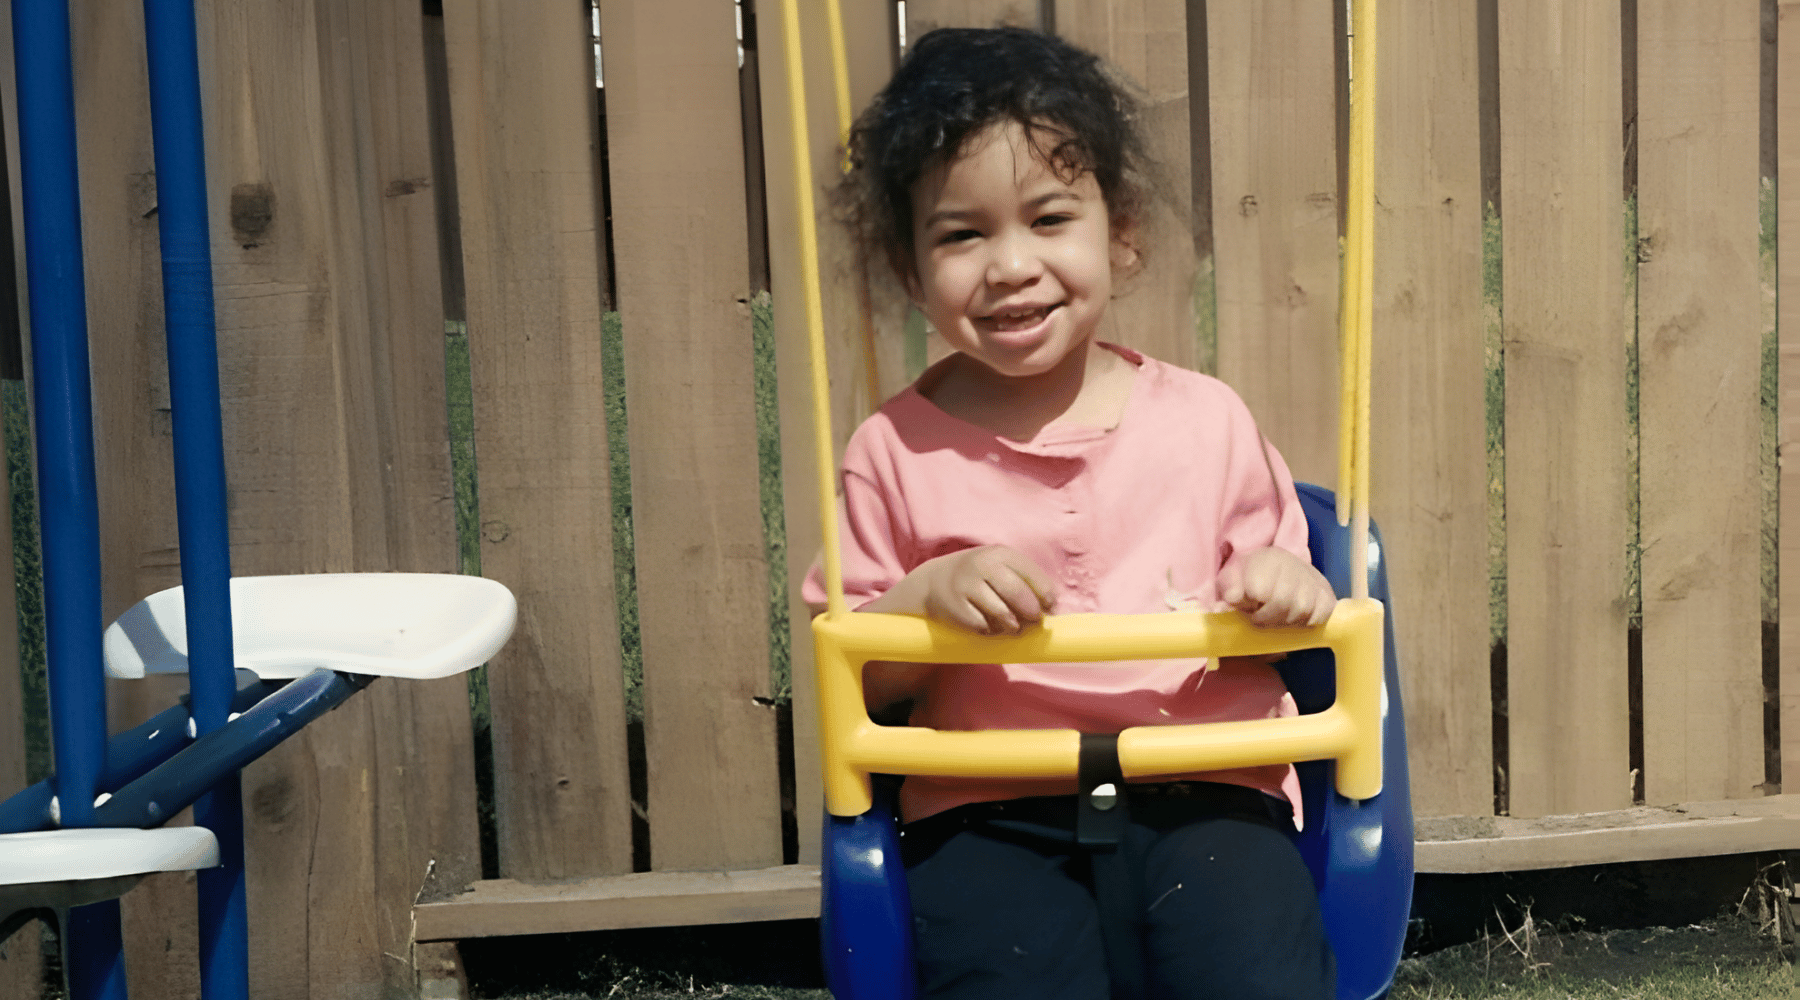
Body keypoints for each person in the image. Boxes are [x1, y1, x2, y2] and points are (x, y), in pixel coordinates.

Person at [804, 25, 1338, 1000]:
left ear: (1119, 229)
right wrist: (923, 597)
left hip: (1208, 795)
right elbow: (859, 677)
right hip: (985, 809)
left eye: (1049, 218)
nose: (1009, 265)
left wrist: (1280, 584)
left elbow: (1289, 608)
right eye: (962, 233)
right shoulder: (894, 450)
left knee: (1255, 974)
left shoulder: (1206, 423)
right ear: (908, 264)